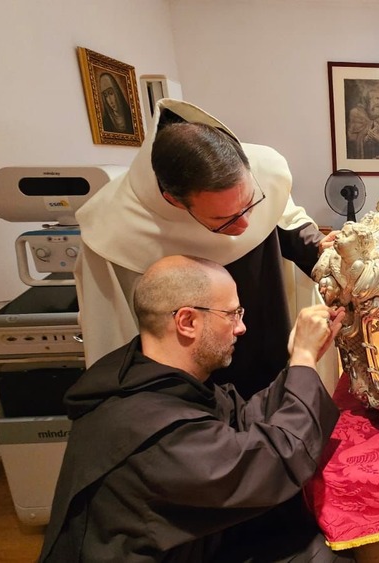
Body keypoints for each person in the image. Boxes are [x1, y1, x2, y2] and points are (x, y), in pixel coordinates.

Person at [39, 255, 350, 562]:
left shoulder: (150, 375)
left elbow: (240, 421)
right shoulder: (147, 427)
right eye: (232, 314)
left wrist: (297, 362)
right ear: (187, 321)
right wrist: (304, 361)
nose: (241, 328)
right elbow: (273, 464)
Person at [74, 98, 334, 399]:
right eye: (224, 220)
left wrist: (320, 248)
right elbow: (111, 329)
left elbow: (285, 223)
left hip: (267, 324)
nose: (246, 225)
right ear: (174, 201)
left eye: (251, 204)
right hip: (188, 382)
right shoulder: (114, 225)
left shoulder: (262, 171)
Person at [346, 85, 379, 159]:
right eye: (377, 98)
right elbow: (349, 141)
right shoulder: (356, 113)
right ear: (368, 100)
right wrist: (364, 139)